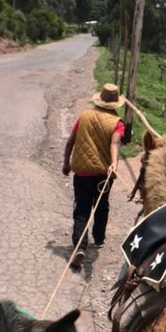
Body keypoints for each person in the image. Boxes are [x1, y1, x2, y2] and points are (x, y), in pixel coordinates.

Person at [62, 83, 125, 269]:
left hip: (81, 172)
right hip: (102, 175)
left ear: (99, 100)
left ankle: (80, 246)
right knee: (102, 205)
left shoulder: (84, 116)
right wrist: (114, 163)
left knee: (81, 209)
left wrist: (66, 163)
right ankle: (98, 239)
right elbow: (115, 144)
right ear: (115, 103)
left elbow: (70, 142)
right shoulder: (117, 123)